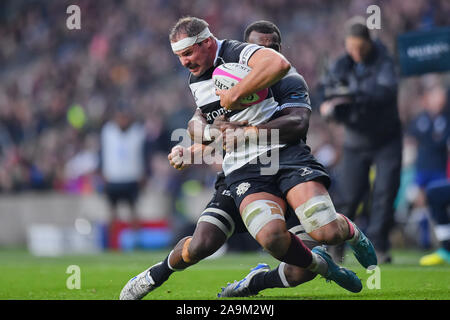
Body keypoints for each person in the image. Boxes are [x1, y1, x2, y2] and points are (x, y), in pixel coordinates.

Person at [119, 17, 370, 300]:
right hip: (242, 171)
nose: (265, 53)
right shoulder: (213, 77)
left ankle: (269, 276)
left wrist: (243, 121)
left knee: (317, 244)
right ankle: (155, 274)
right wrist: (192, 147)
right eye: (259, 48)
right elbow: (202, 126)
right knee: (203, 243)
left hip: (286, 161)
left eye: (271, 48)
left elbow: (297, 124)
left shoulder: (287, 80)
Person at [319, 17, 402, 263]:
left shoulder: (384, 60)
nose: (355, 53)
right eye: (351, 47)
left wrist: (351, 95)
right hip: (356, 140)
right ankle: (337, 244)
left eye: (360, 48)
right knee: (349, 195)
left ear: (369, 42)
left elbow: (386, 90)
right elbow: (325, 90)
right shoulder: (341, 64)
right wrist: (328, 106)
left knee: (385, 193)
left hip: (386, 139)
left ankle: (379, 246)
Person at [99, 104, 149, 248]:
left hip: (131, 177)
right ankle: (109, 244)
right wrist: (102, 172)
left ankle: (136, 243)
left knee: (133, 212)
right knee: (111, 214)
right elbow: (103, 153)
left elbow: (143, 155)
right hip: (113, 178)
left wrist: (143, 174)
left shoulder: (137, 132)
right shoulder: (108, 131)